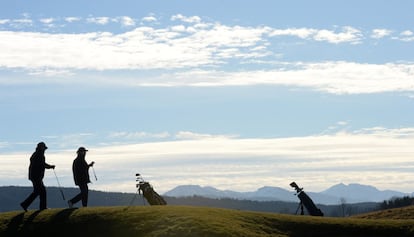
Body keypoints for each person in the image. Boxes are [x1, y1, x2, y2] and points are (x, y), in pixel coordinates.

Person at [20, 142, 55, 211]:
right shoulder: (39, 155)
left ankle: (25, 204)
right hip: (36, 176)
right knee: (42, 191)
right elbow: (42, 164)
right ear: (41, 148)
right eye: (44, 148)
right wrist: (50, 166)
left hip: (34, 176)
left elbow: (41, 164)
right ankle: (42, 207)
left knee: (37, 192)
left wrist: (49, 166)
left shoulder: (36, 154)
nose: (44, 150)